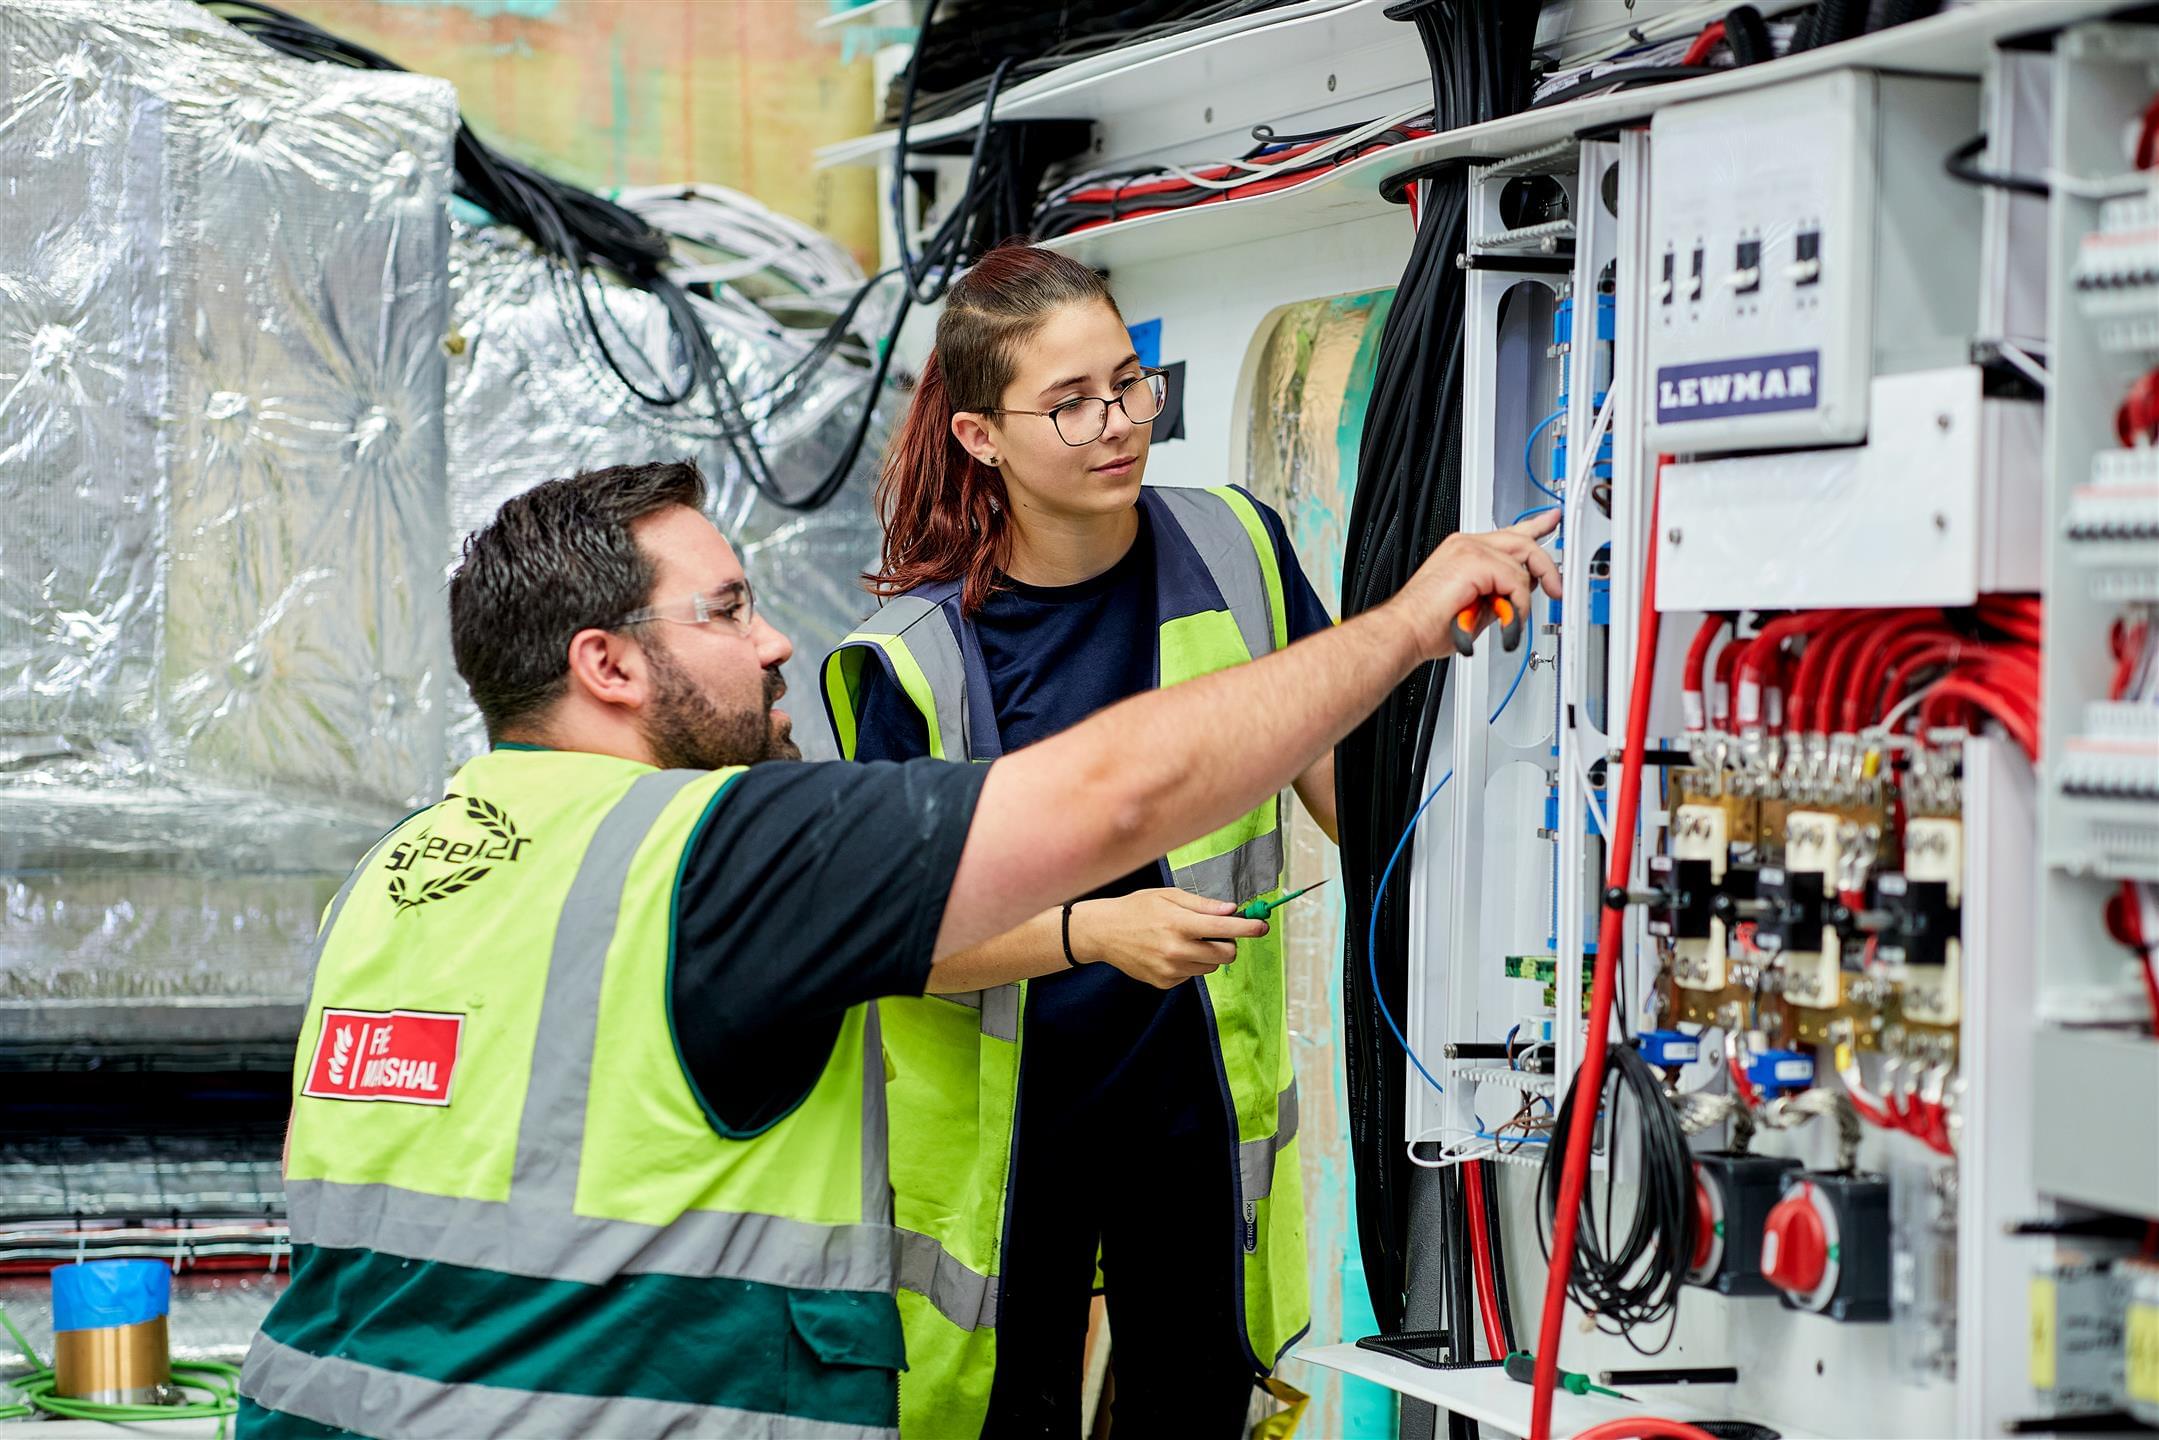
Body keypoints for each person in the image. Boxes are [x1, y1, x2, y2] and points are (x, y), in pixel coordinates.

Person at [236, 459, 1555, 1440]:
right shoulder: (712, 851)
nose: (773, 643)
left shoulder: (398, 870)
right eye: (725, 612)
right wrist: (1402, 626)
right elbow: (1116, 798)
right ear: (607, 665)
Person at [822, 243, 1341, 1438]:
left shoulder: (1235, 547)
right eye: (1068, 404)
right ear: (979, 437)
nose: (1117, 425)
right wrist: (1095, 932)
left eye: (1129, 383)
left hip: (1193, 1108)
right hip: (1009, 1142)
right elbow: (893, 941)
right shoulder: (911, 661)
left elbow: (1341, 777)